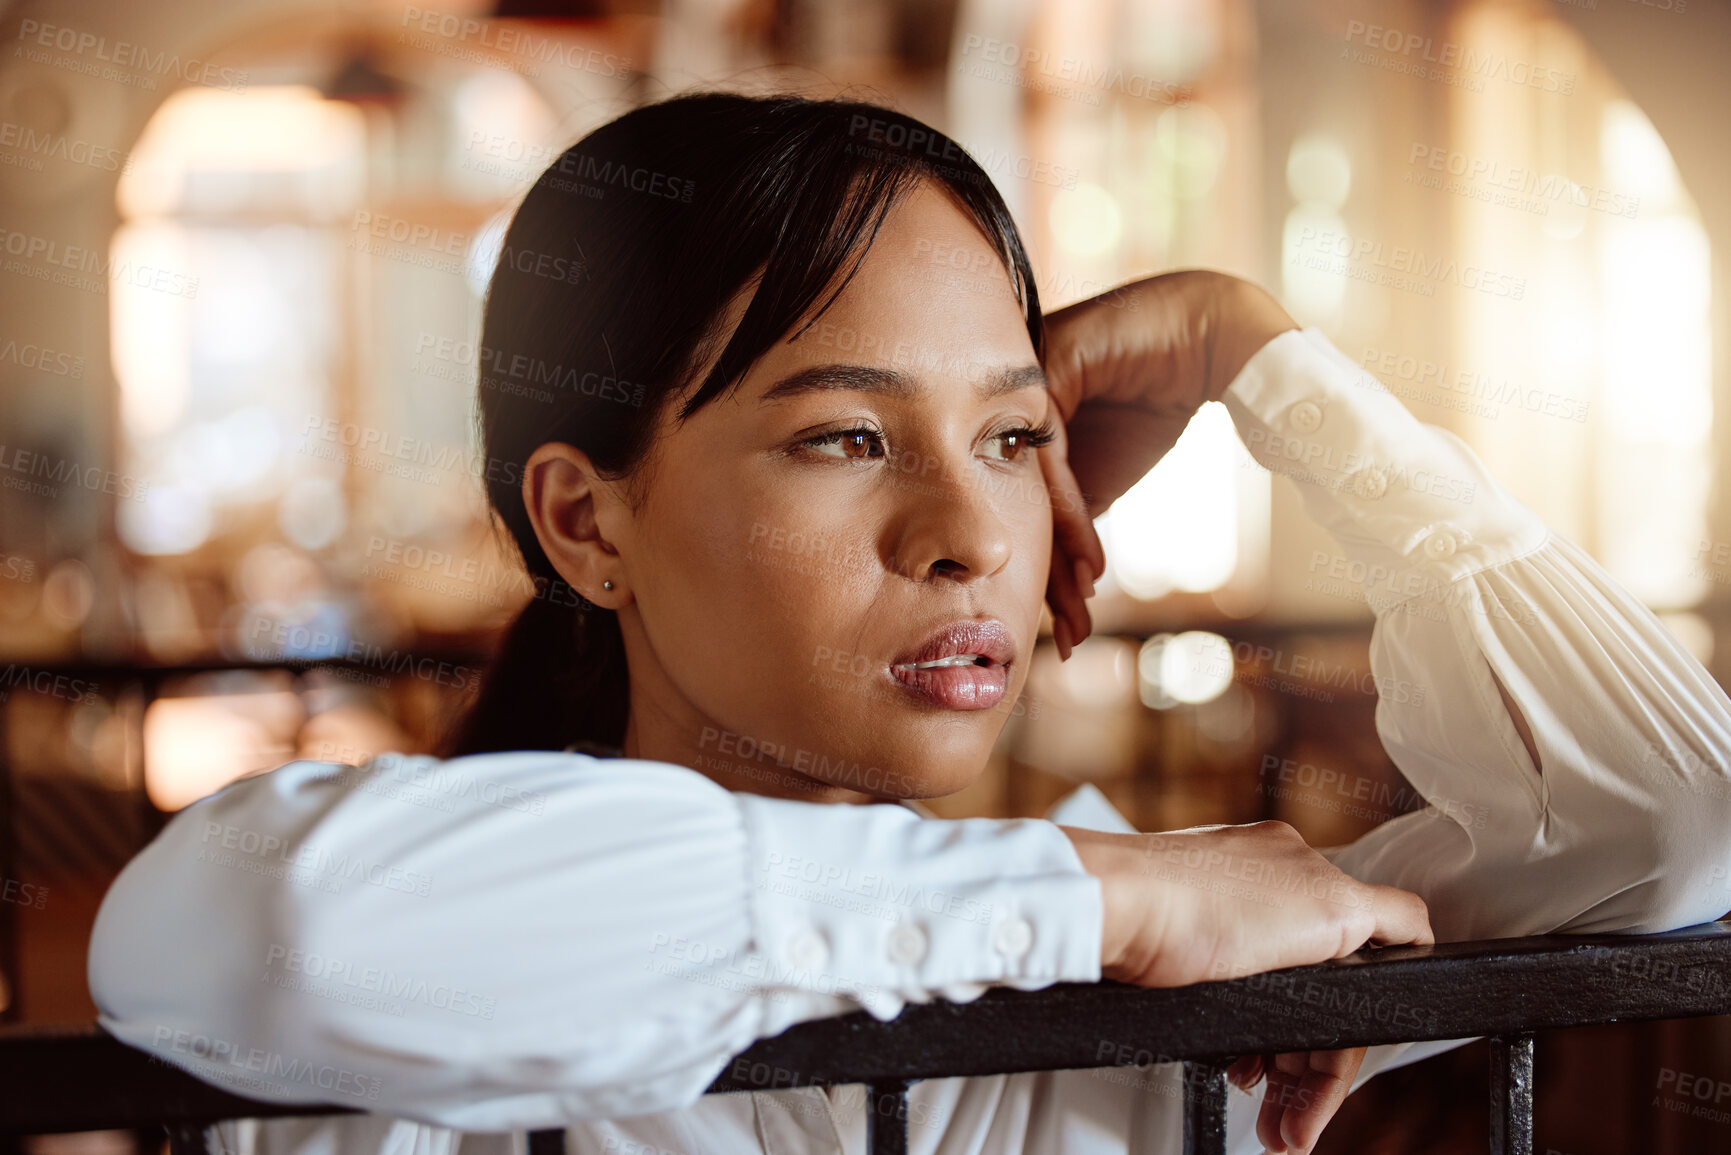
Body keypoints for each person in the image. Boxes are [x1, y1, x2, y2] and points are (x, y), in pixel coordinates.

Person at [87, 93, 1731, 1155]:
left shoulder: (1170, 938)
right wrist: (1086, 901)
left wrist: (1267, 367)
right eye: (847, 437)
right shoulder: (445, 954)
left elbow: (1674, 822)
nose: (969, 538)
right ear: (588, 520)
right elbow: (230, 934)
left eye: (1016, 439)